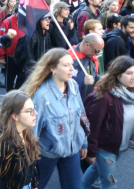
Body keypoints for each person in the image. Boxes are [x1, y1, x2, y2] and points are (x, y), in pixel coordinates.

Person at [20, 48, 88, 189]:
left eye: (72, 64)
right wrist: (30, 157)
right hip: (46, 154)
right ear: (53, 68)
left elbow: (82, 115)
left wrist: (84, 142)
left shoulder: (74, 86)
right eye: (66, 65)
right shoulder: (41, 97)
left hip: (72, 150)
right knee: (36, 186)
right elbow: (31, 132)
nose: (72, 69)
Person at [82, 56, 134, 189]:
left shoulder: (132, 94)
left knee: (95, 170)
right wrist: (91, 151)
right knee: (110, 183)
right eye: (128, 73)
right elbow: (93, 126)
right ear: (118, 75)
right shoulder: (104, 97)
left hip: (119, 146)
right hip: (105, 148)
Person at [0, 90, 40, 189]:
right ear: (15, 116)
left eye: (34, 108)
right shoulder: (2, 143)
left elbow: (32, 167)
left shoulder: (27, 131)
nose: (36, 113)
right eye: (30, 111)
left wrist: (34, 185)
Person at [0, 5, 26, 91]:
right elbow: (0, 40)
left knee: (22, 79)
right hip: (10, 56)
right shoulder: (7, 22)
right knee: (9, 80)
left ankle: (17, 96)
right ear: (15, 12)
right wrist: (1, 57)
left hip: (22, 57)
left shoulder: (27, 22)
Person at [68, 33, 104, 101]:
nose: (98, 54)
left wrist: (99, 78)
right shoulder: (71, 60)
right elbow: (66, 82)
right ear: (87, 45)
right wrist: (82, 81)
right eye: (97, 51)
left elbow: (92, 73)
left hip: (88, 97)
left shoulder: (89, 54)